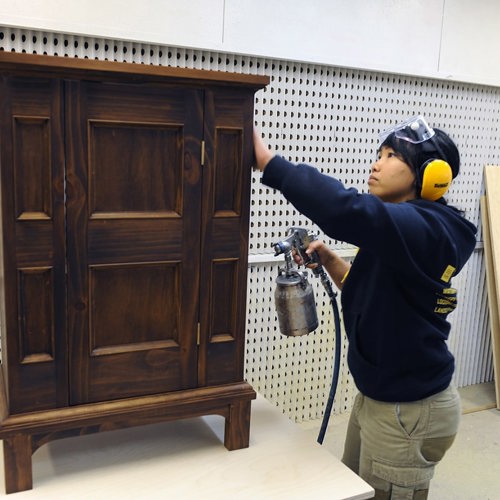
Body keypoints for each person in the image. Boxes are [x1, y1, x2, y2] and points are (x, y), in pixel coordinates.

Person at [253, 116, 477, 500]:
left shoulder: (427, 229)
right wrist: (331, 261)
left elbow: (348, 210)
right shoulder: (402, 230)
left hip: (406, 411)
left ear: (430, 174)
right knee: (356, 491)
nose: (377, 163)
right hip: (380, 398)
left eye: (392, 156)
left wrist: (267, 162)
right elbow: (379, 290)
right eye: (379, 153)